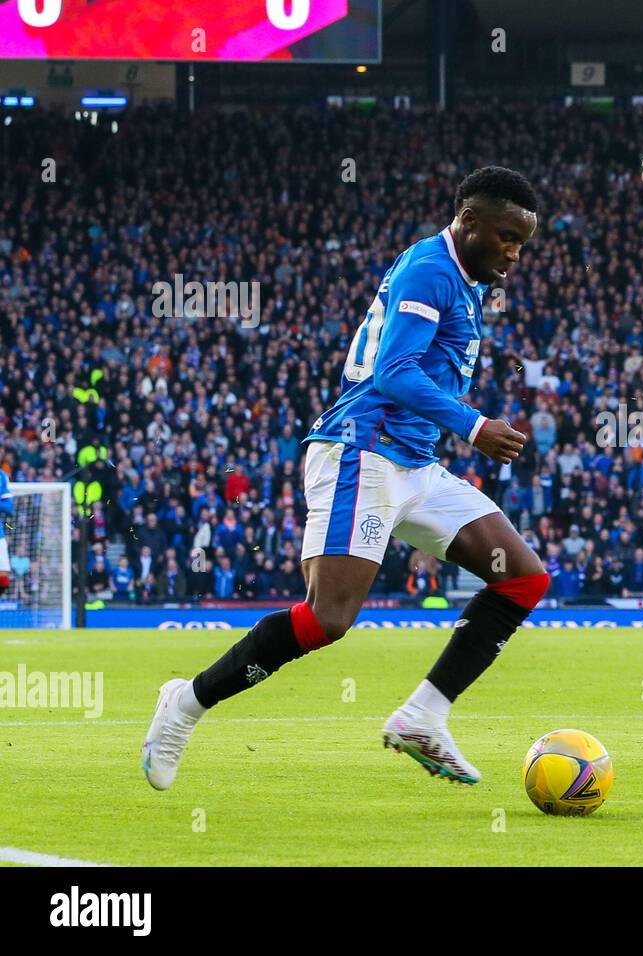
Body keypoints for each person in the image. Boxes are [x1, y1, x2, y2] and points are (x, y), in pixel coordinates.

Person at [143, 167, 547, 789]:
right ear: (469, 222)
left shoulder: (462, 277)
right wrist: (472, 425)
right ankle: (186, 703)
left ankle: (423, 717)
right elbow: (392, 372)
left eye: (522, 242)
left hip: (413, 461)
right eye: (507, 237)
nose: (515, 254)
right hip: (363, 451)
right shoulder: (430, 271)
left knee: (522, 578)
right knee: (326, 619)